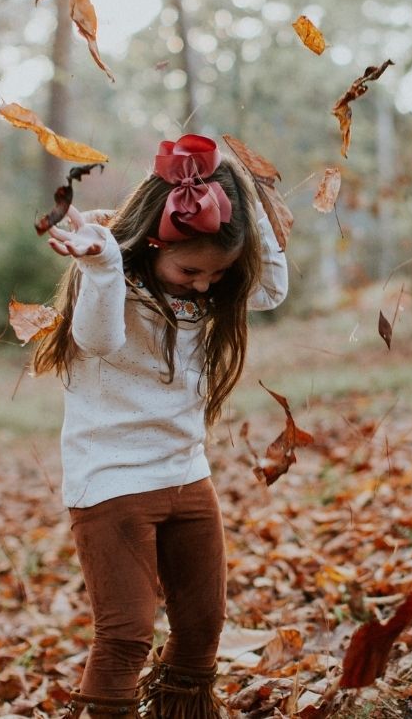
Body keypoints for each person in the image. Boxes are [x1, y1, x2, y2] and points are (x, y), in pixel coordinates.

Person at [33, 134, 288, 719]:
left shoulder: (202, 294)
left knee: (202, 628)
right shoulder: (112, 279)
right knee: (125, 635)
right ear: (152, 241)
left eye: (217, 274)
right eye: (191, 269)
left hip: (186, 474)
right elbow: (97, 341)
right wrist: (100, 267)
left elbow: (271, 289)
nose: (203, 284)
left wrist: (249, 205)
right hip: (112, 483)